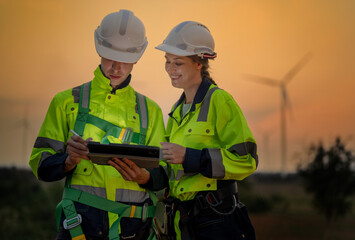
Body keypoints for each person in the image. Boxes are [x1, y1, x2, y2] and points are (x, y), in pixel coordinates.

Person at [114, 21, 259, 240]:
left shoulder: (219, 100)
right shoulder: (176, 111)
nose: (170, 69)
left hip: (216, 219)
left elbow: (247, 159)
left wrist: (189, 156)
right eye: (167, 61)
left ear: (199, 63)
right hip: (183, 223)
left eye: (178, 63)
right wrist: (145, 177)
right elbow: (171, 173)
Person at [29, 9, 165, 240]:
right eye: (110, 56)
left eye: (125, 60)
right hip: (79, 226)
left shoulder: (150, 111)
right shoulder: (65, 102)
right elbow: (41, 166)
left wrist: (145, 177)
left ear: (136, 57)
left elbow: (165, 176)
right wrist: (68, 160)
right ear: (98, 48)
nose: (116, 67)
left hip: (132, 229)